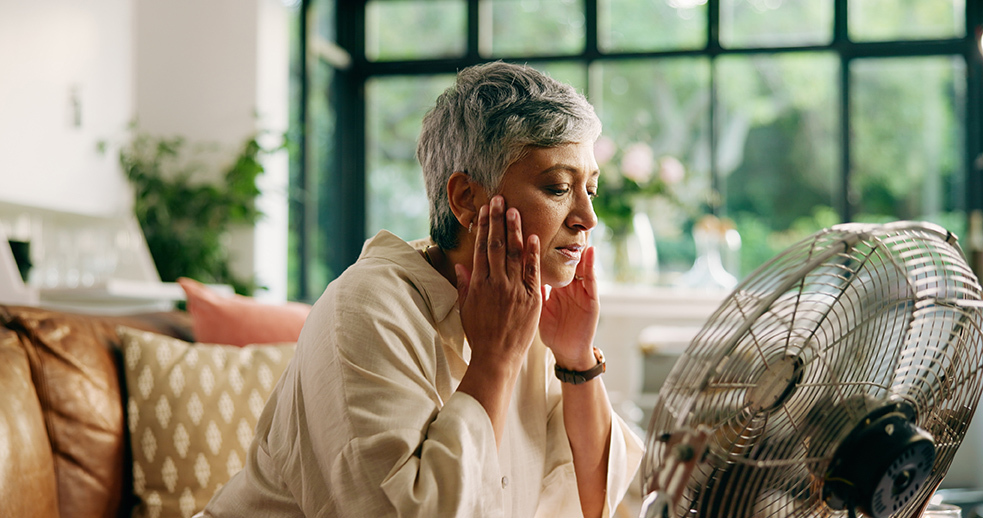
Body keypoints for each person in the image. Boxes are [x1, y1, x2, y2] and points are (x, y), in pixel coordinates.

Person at [199, 61, 643, 517]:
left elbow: (599, 500)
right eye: (558, 187)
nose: (587, 218)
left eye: (590, 188)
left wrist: (574, 358)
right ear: (466, 199)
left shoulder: (520, 306)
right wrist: (494, 360)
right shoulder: (365, 308)